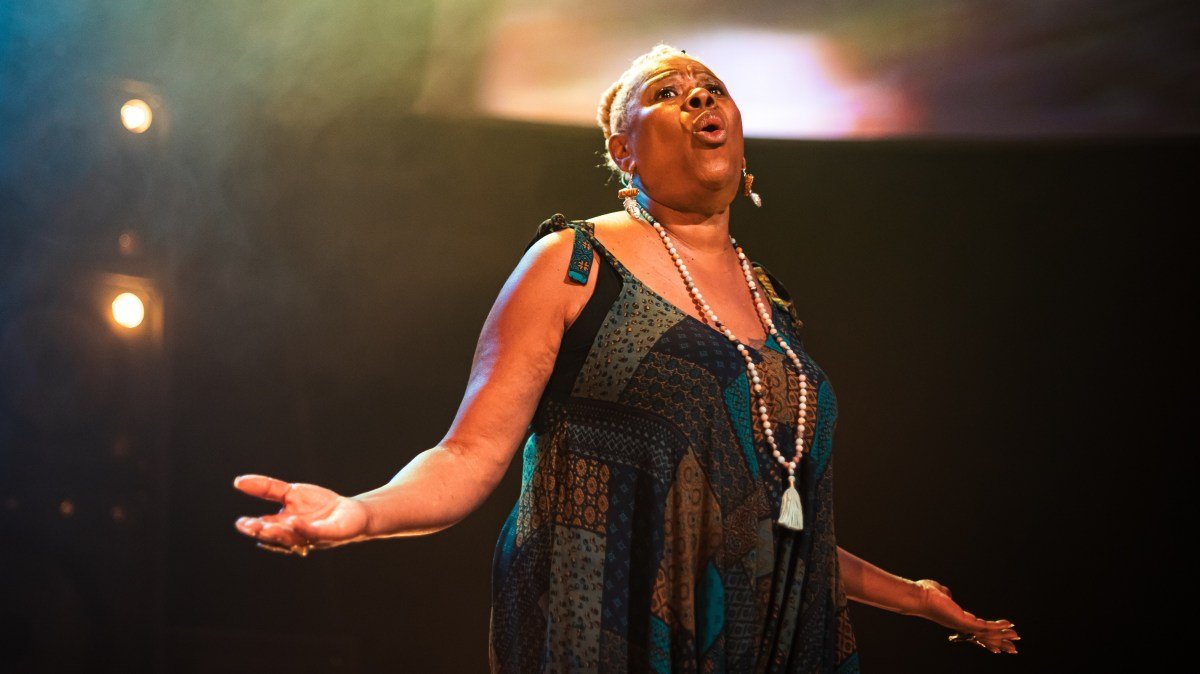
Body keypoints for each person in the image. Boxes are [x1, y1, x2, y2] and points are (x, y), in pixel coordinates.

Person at [233, 43, 1020, 672]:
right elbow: (469, 453)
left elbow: (768, 527)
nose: (699, 98)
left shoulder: (773, 305)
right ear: (623, 149)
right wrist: (359, 515)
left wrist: (914, 598)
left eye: (711, 88)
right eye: (669, 93)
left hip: (759, 644)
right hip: (608, 631)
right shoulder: (575, 261)